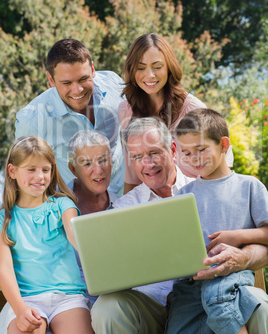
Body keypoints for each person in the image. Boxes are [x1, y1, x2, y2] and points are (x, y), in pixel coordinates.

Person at [165, 108, 268, 334]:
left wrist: (237, 236)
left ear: (223, 145)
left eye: (201, 149)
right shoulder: (183, 195)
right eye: (187, 152)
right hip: (192, 283)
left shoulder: (249, 187)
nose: (194, 159)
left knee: (219, 301)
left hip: (231, 275)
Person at [90, 117, 195, 334]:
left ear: (173, 150)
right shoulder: (123, 209)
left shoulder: (201, 191)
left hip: (197, 301)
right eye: (138, 157)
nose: (148, 164)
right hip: (149, 306)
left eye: (154, 153)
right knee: (107, 306)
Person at [118, 32, 233, 193]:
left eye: (157, 67)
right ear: (132, 70)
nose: (149, 75)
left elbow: (222, 168)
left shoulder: (193, 109)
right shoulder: (126, 110)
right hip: (155, 204)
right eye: (141, 67)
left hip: (198, 199)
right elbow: (132, 176)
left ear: (169, 68)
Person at [0, 136, 93, 334]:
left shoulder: (63, 205)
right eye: (31, 169)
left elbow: (75, 234)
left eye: (45, 169)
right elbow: (3, 267)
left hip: (67, 298)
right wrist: (19, 309)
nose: (40, 176)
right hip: (26, 299)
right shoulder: (4, 218)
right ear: (12, 171)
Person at [15, 38, 124, 194]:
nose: (77, 90)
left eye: (83, 79)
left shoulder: (113, 82)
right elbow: (25, 179)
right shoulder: (32, 120)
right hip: (78, 207)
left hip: (125, 193)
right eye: (67, 83)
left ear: (92, 69)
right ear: (51, 80)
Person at [67, 130, 119, 306]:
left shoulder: (123, 207)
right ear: (73, 169)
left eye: (103, 160)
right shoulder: (55, 206)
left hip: (113, 302)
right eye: (87, 163)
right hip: (66, 303)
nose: (98, 170)